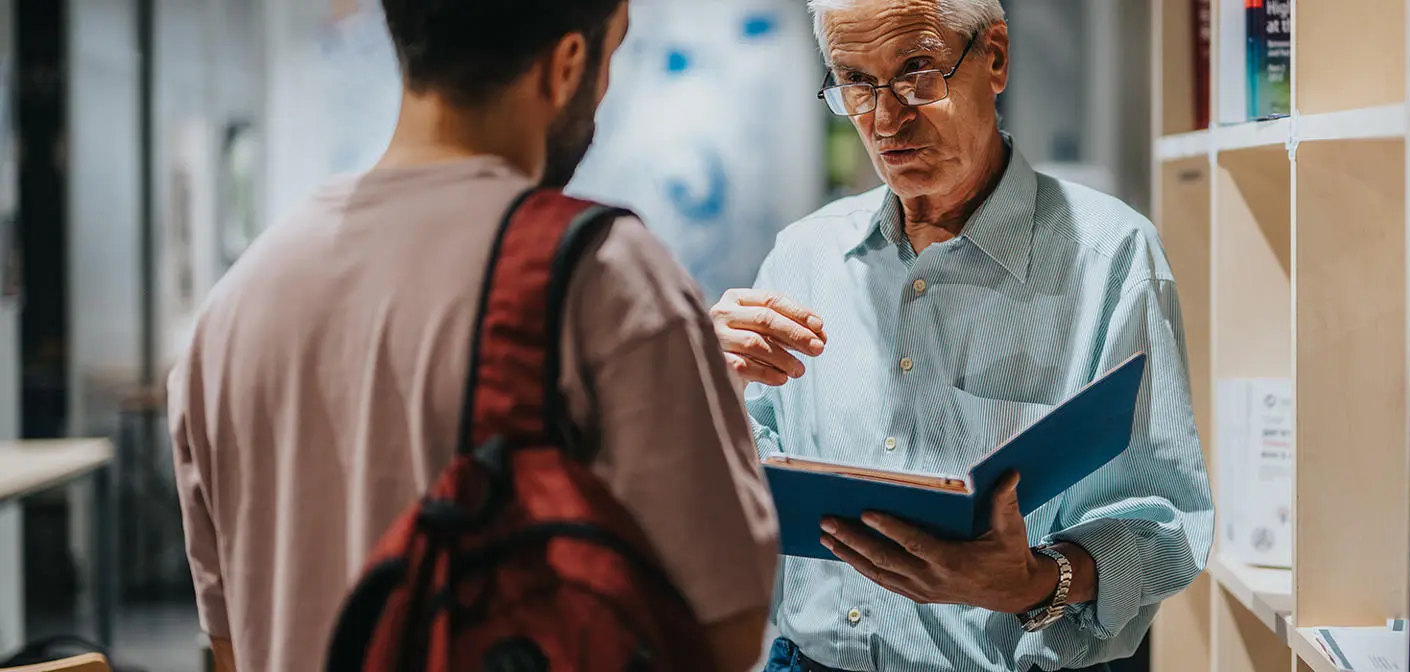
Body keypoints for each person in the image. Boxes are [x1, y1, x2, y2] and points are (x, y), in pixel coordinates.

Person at [167, 1, 779, 670]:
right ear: (568, 63)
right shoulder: (603, 276)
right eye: (612, 56)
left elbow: (229, 646)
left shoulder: (228, 312)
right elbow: (724, 630)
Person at [709, 1, 1214, 670]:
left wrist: (1038, 579)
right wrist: (715, 390)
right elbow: (741, 502)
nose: (886, 120)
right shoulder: (802, 256)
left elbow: (1167, 520)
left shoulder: (1109, 254)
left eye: (918, 72)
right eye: (856, 81)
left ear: (995, 56)